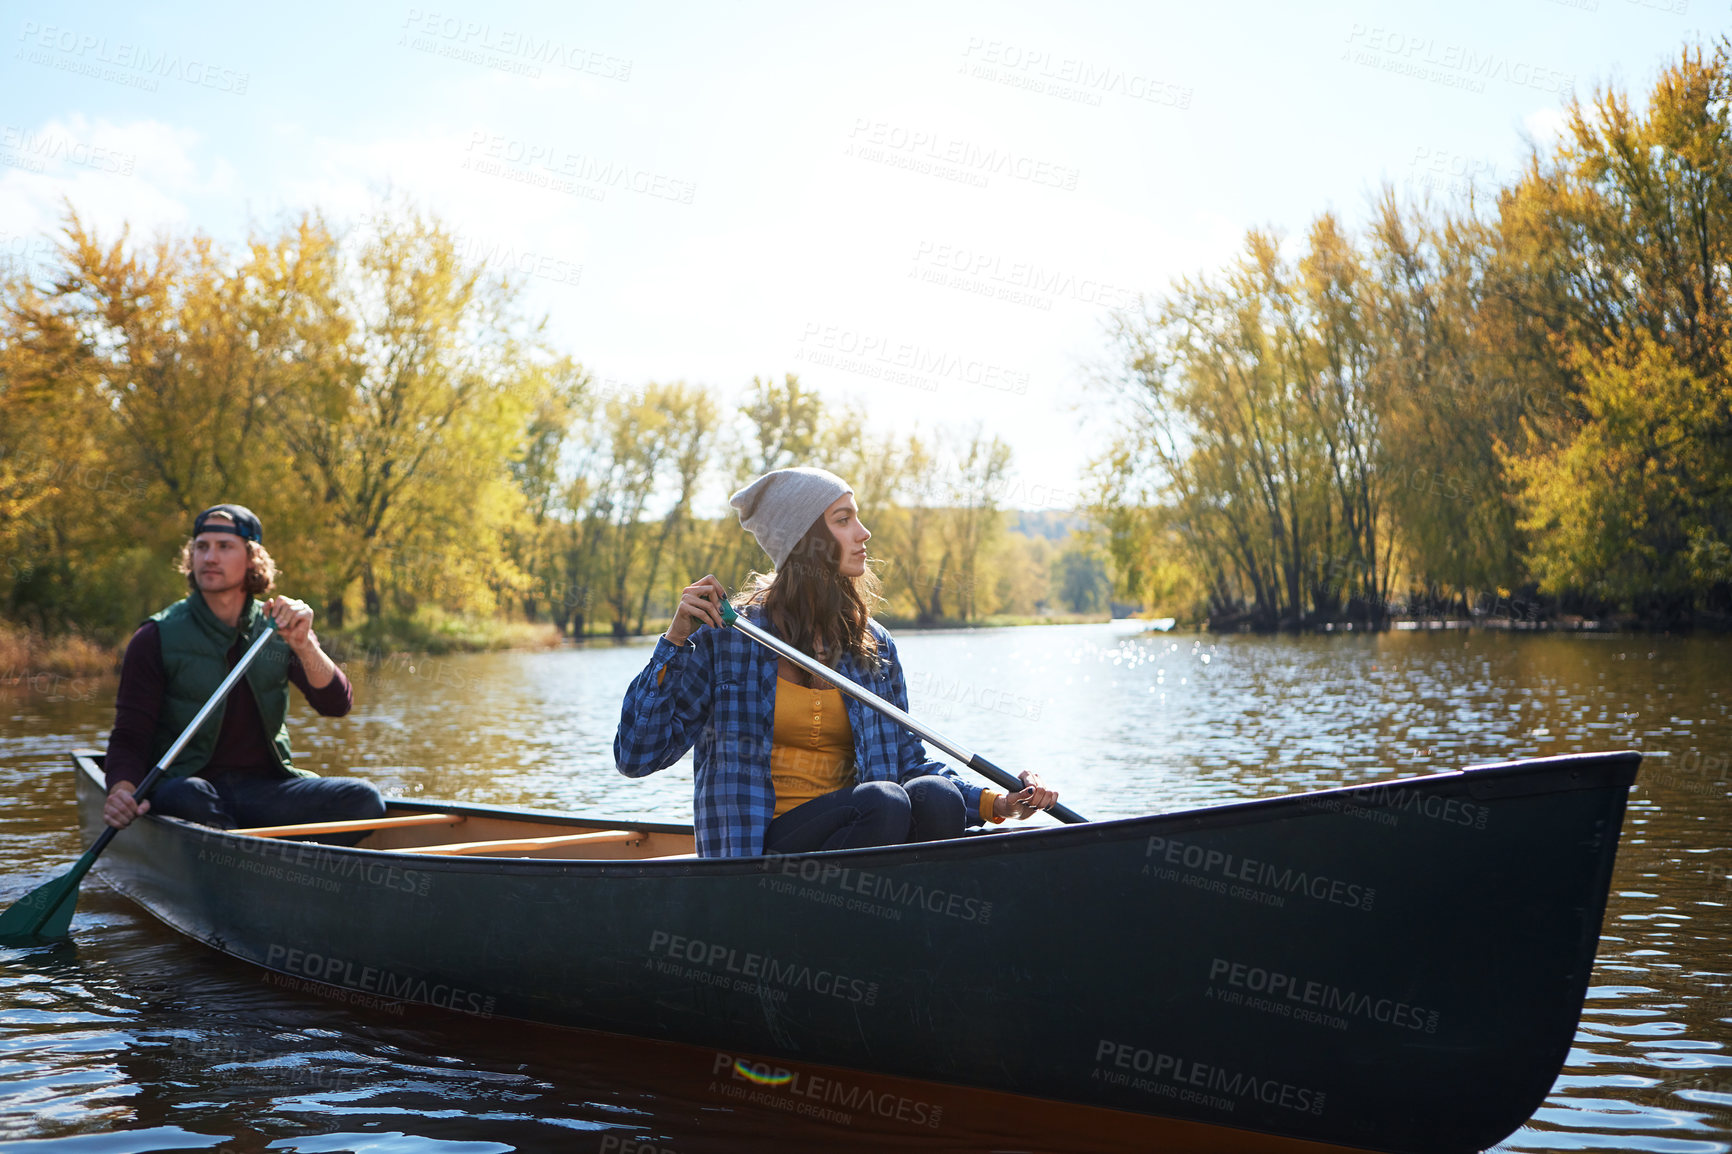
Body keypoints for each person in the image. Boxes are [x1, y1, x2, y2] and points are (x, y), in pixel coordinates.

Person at [614, 467, 1057, 858]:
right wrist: (674, 641)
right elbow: (636, 755)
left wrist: (998, 803)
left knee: (934, 796)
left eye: (857, 517)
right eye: (843, 520)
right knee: (884, 801)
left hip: (861, 835)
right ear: (805, 540)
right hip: (758, 855)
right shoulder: (726, 638)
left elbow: (908, 762)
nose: (863, 533)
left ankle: (912, 929)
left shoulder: (874, 645)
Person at [102, 504, 384, 839]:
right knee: (188, 795)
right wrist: (121, 790)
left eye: (224, 547)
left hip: (265, 791)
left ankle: (268, 853)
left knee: (364, 800)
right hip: (184, 789)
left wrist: (304, 645)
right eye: (201, 547)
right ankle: (252, 853)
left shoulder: (277, 627)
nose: (209, 558)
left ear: (252, 559)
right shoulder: (155, 636)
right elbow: (129, 737)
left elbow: (336, 705)